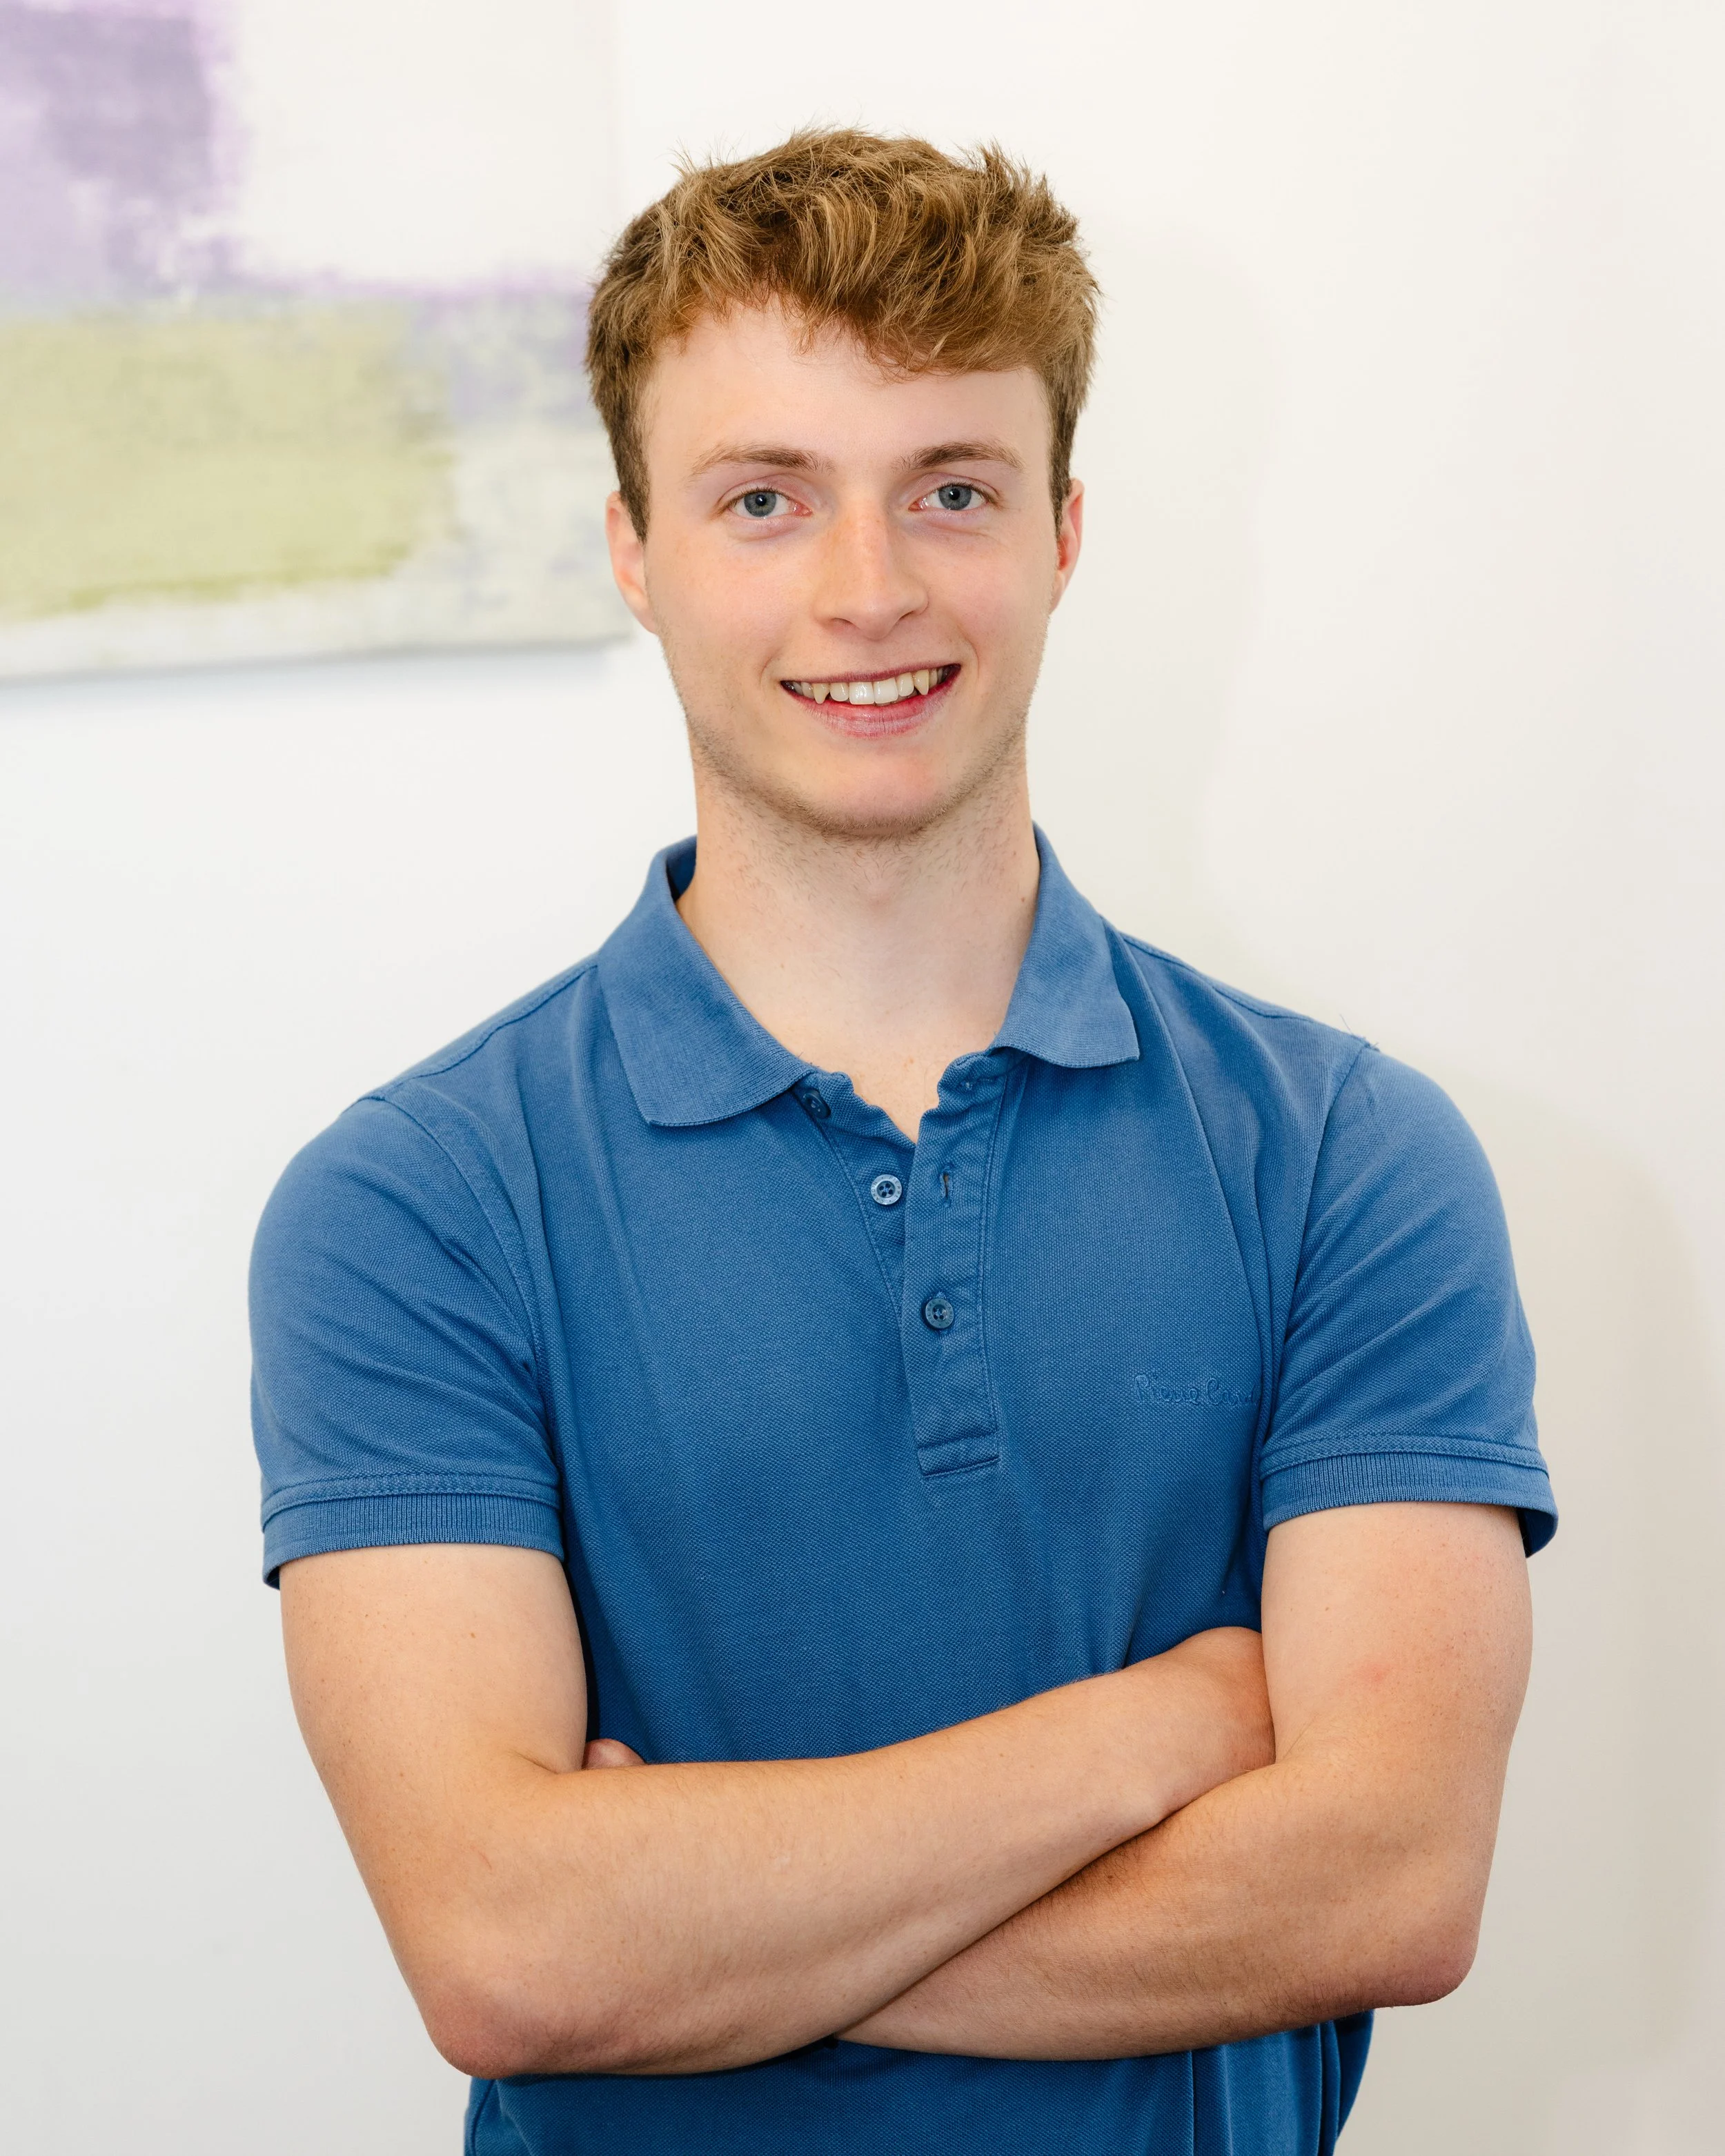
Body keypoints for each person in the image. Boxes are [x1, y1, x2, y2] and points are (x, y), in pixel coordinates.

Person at [250, 130, 1556, 2156]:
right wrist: (1163, 1726)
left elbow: (1386, 1885)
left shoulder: (1343, 1157)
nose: (866, 589)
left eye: (949, 488)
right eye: (762, 498)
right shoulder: (416, 1205)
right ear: (630, 546)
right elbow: (507, 1953)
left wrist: (686, 1935)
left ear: (1060, 530)